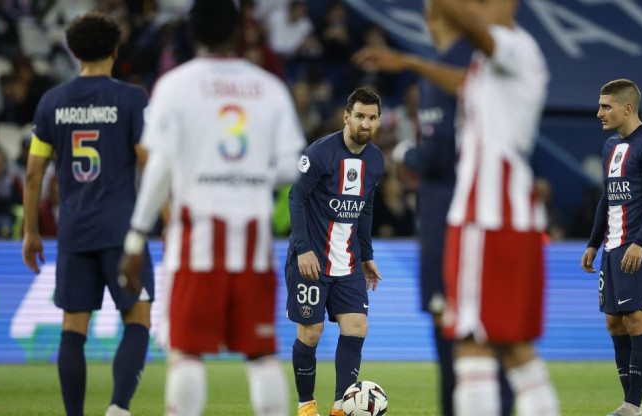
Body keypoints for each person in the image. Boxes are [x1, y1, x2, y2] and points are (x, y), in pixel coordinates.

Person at [117, 1, 305, 415]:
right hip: (253, 244)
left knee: (186, 353)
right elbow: (294, 164)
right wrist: (253, 177)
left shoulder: (175, 85)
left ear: (191, 33)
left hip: (194, 240)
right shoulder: (268, 87)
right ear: (238, 33)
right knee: (260, 354)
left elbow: (160, 167)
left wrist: (135, 236)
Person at [352, 1, 516, 414]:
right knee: (495, 342)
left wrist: (404, 155)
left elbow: (439, 154)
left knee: (453, 341)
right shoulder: (490, 64)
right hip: (493, 218)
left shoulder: (444, 71)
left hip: (450, 224)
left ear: (434, 17)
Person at [432, 0, 561, 415]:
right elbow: (462, 81)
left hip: (485, 216)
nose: (476, 8)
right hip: (515, 217)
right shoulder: (504, 60)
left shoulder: (508, 45)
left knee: (472, 341)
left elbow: (472, 27)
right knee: (515, 349)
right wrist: (409, 63)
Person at [21, 12, 153, 416]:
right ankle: (117, 407)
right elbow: (147, 160)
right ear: (115, 51)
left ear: (73, 52)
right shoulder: (131, 99)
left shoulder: (52, 102)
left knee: (73, 328)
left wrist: (30, 232)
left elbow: (32, 174)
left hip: (74, 231)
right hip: (121, 230)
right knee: (137, 318)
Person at [287, 87, 385, 416]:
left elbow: (366, 207)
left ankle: (342, 407)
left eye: (372, 118)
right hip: (312, 260)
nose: (365, 123)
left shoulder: (376, 160)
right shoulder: (319, 154)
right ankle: (306, 404)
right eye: (360, 116)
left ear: (379, 121)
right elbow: (295, 198)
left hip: (349, 261)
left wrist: (367, 254)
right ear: (347, 117)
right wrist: (302, 249)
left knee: (357, 326)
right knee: (311, 333)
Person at [581, 79, 642, 416]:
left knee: (636, 320)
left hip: (639, 248)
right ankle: (632, 404)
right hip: (611, 248)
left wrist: (641, 242)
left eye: (606, 106)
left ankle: (632, 405)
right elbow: (607, 196)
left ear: (627, 108)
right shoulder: (609, 147)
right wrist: (593, 242)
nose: (599, 113)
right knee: (614, 324)